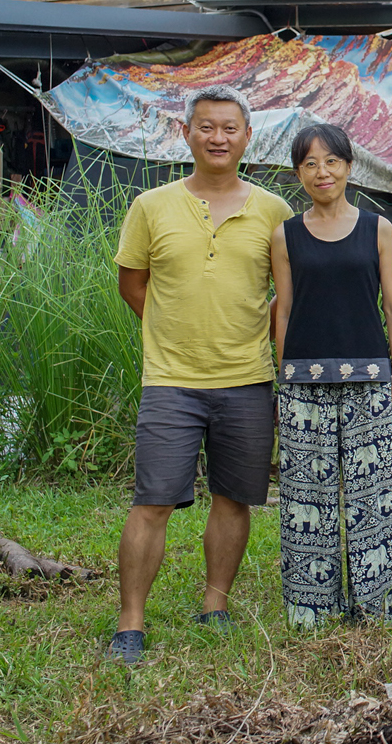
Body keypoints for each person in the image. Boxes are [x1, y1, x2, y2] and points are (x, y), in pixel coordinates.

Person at [106, 84, 293, 664]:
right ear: (186, 133)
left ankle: (215, 605)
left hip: (246, 378)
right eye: (206, 127)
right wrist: (172, 328)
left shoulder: (273, 211)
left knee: (235, 498)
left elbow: (285, 295)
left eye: (229, 128)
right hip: (171, 380)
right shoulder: (152, 206)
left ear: (247, 138)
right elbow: (132, 283)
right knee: (153, 500)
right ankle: (130, 622)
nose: (218, 137)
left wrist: (251, 332)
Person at [271, 122, 392, 625]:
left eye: (331, 161)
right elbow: (283, 311)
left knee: (376, 496)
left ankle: (381, 608)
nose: (322, 172)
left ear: (349, 166)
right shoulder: (284, 234)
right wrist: (282, 383)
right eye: (309, 163)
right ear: (298, 175)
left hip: (371, 383)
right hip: (303, 388)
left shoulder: (377, 228)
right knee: (306, 498)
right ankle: (311, 609)